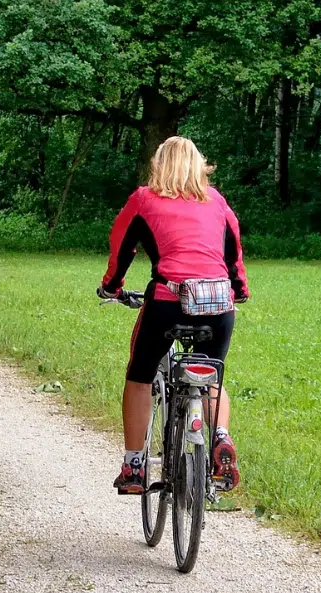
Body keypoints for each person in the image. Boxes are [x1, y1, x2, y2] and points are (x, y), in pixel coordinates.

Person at [97, 136, 249, 495]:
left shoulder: (144, 199)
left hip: (168, 300)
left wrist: (112, 287)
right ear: (200, 166)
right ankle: (221, 438)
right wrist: (238, 291)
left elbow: (122, 248)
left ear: (158, 165)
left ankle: (134, 466)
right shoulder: (218, 202)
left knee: (139, 375)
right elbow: (234, 255)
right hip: (218, 304)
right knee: (212, 374)